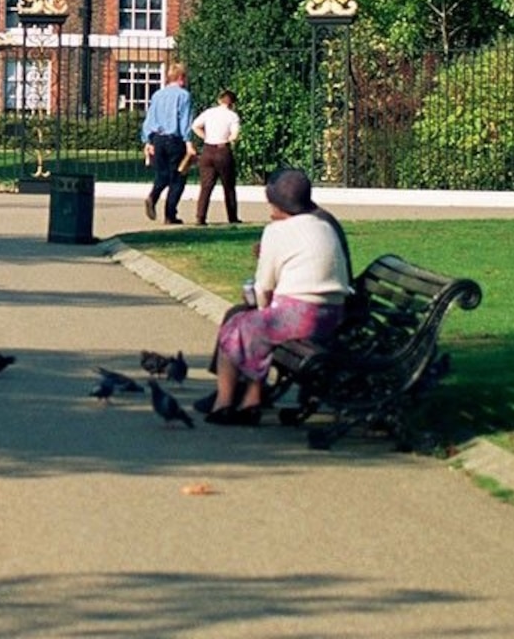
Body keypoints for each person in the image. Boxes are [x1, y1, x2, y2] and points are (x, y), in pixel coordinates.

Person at [204, 167, 355, 424]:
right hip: (333, 314)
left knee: (239, 325)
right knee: (252, 328)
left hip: (299, 316)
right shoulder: (324, 225)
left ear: (277, 205)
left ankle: (224, 402)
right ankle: (251, 399)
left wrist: (261, 309)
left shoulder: (276, 232)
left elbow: (263, 287)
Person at [140, 66, 194, 224]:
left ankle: (153, 196)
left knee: (162, 175)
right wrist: (189, 143)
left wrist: (147, 141)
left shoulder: (157, 95)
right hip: (174, 140)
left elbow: (149, 119)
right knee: (178, 178)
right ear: (181, 78)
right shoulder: (184, 95)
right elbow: (185, 121)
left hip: (158, 139)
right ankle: (170, 215)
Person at [189, 87, 243, 225]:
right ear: (233, 103)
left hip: (208, 149)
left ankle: (200, 217)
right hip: (222, 150)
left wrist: (205, 136)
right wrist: (228, 139)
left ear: (220, 100)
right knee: (228, 186)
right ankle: (232, 216)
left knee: (206, 186)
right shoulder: (232, 116)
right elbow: (235, 135)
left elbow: (195, 126)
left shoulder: (209, 112)